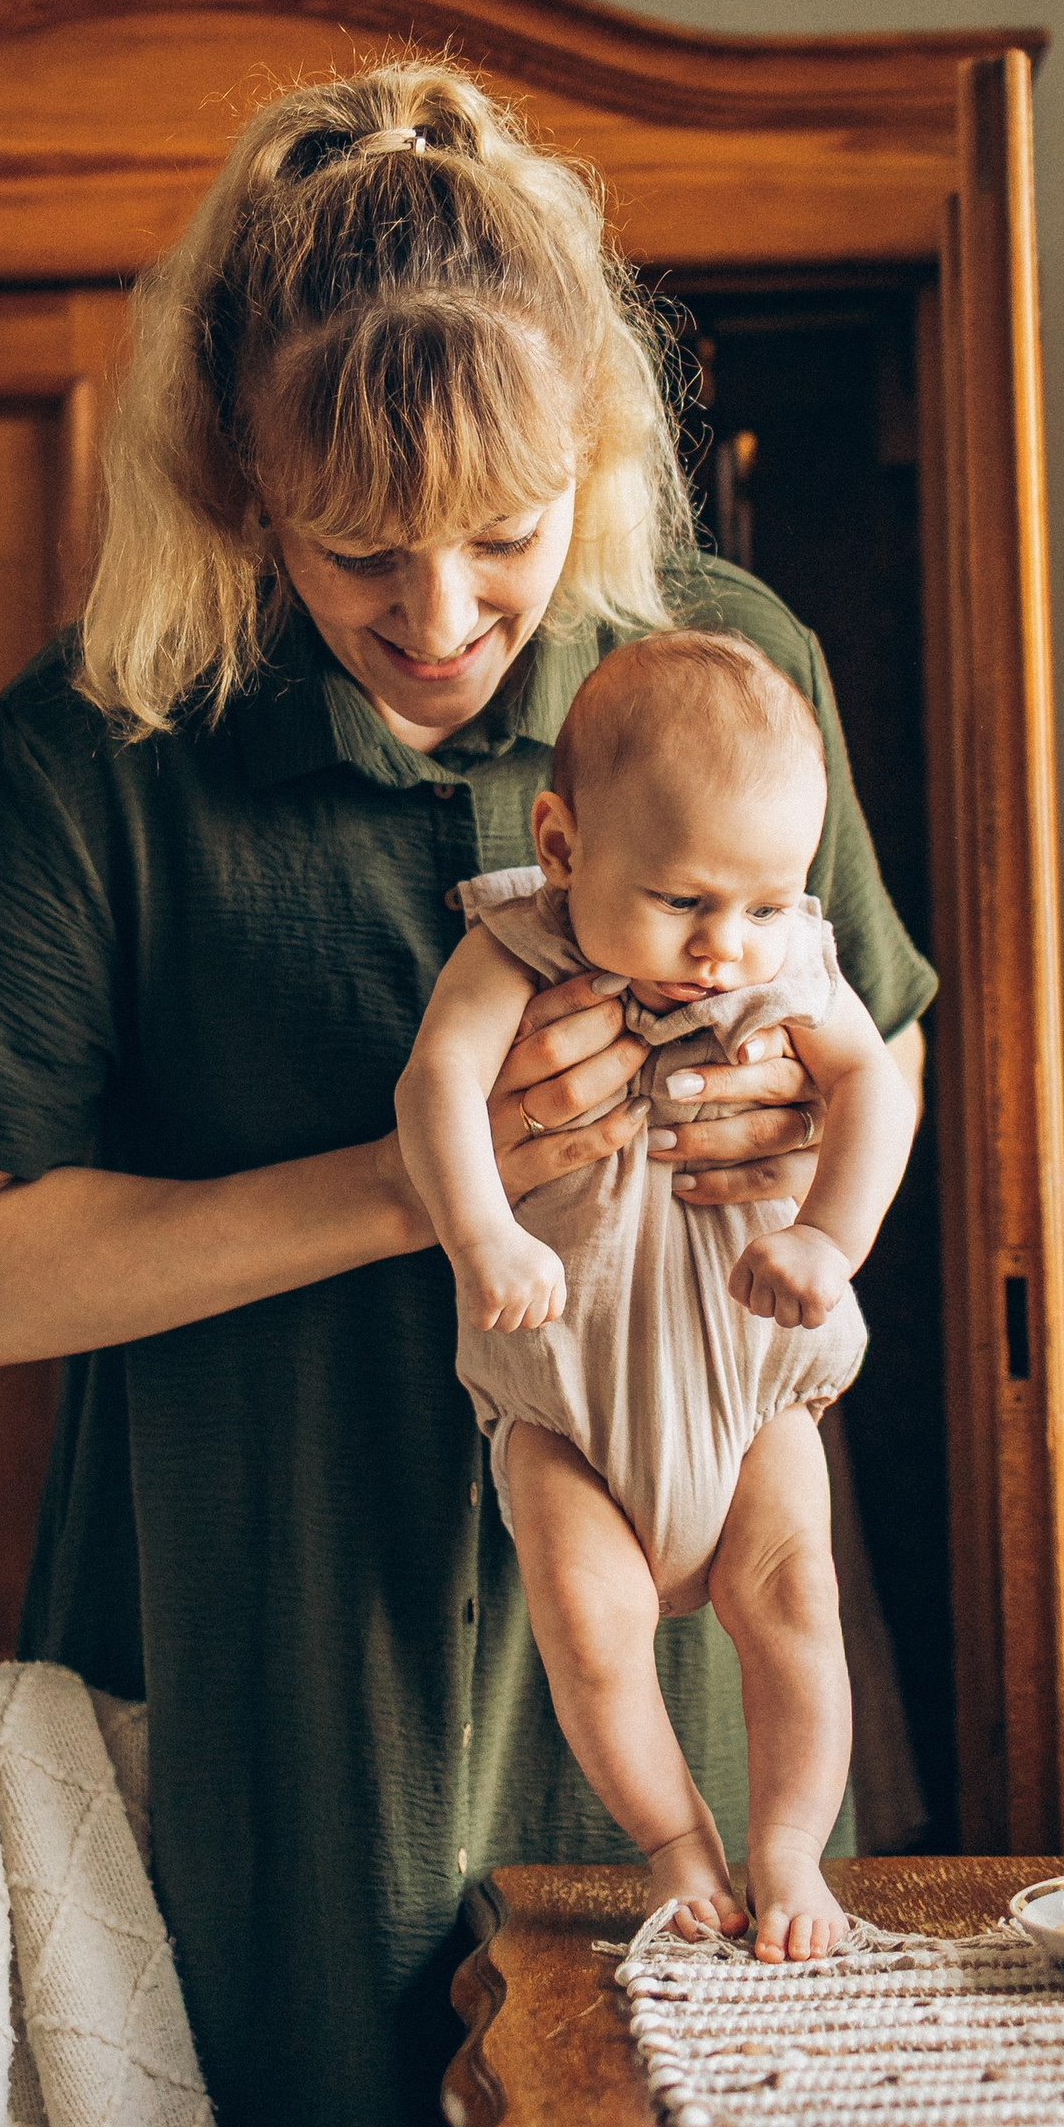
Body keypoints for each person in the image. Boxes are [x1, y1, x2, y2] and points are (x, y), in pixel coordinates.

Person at [0, 60, 936, 2127]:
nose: (440, 617)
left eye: (502, 541)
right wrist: (403, 1180)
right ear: (239, 491)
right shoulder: (103, 741)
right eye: (356, 555)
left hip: (671, 1589)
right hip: (258, 1668)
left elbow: (861, 1056)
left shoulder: (719, 660)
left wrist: (796, 1140)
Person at [394, 628, 918, 1960]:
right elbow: (436, 1087)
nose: (724, 948)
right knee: (590, 1622)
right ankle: (679, 1847)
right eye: (686, 902)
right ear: (564, 847)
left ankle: (789, 1850)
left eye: (763, 901)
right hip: (565, 1396)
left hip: (748, 1389)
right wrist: (481, 1238)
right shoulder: (516, 942)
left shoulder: (785, 957)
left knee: (796, 1602)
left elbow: (875, 1084)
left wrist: (827, 1243)